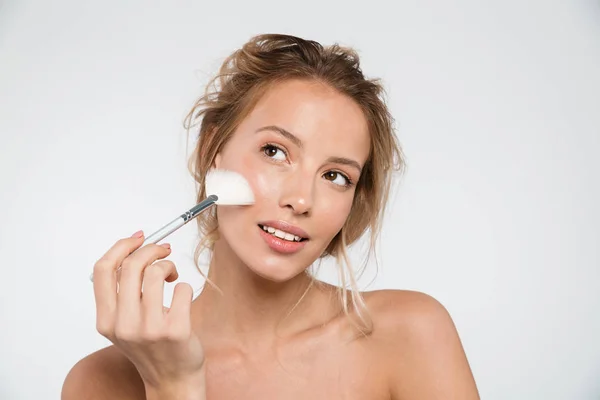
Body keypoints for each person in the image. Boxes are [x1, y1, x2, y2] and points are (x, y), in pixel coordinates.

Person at [62, 33, 480, 399]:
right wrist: (173, 387)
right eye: (275, 152)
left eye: (335, 176)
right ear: (213, 150)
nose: (301, 200)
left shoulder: (410, 335)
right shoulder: (99, 381)